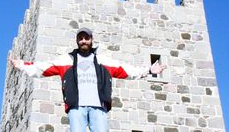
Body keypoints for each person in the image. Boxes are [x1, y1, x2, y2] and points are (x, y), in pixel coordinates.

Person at [9, 27, 166, 132]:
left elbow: (127, 70)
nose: (84, 41)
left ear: (92, 39)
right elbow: (42, 68)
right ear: (77, 41)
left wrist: (149, 70)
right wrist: (22, 65)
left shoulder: (104, 60)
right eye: (81, 38)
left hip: (99, 107)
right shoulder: (66, 60)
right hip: (76, 107)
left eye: (86, 38)